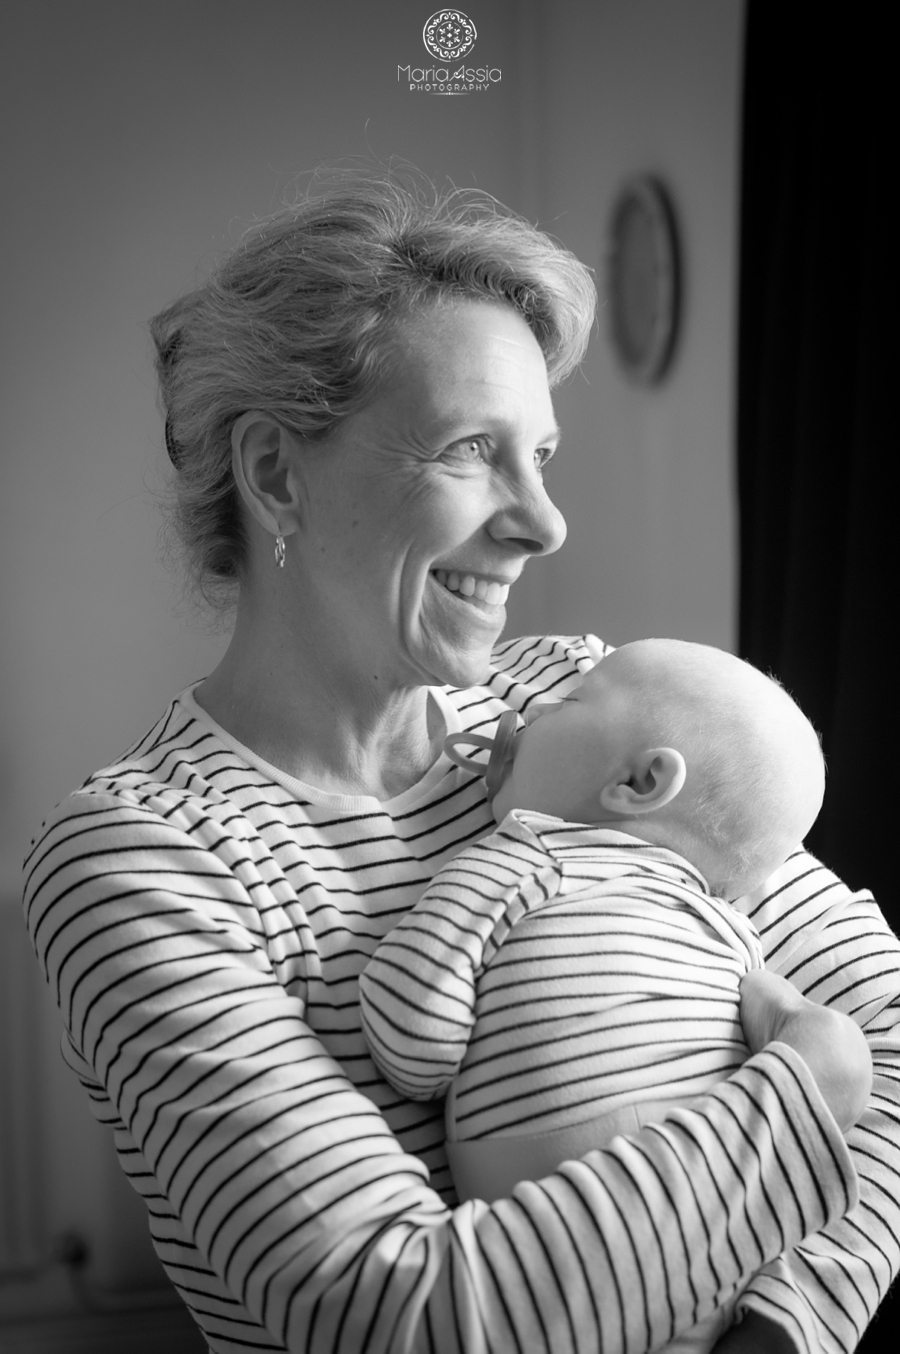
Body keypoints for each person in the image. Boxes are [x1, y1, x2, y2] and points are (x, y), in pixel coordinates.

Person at [21, 168, 900, 1354]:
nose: (544, 521)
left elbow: (885, 1031)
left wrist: (791, 1322)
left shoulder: (566, 703)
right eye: (473, 451)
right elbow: (401, 1315)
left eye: (543, 454)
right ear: (277, 473)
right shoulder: (142, 863)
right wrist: (801, 1102)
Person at [358, 637, 875, 1352]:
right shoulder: (733, 935)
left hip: (540, 1264)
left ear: (637, 784)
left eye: (564, 704)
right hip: (717, 1274)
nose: (528, 709)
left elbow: (413, 1045)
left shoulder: (525, 857)